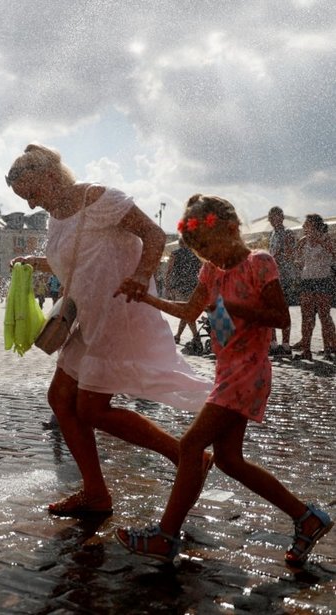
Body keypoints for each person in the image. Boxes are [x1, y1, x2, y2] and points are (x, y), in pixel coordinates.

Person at [116, 193, 333, 565]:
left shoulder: (259, 263)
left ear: (231, 229)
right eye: (198, 249)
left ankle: (165, 536)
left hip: (248, 372)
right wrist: (147, 299)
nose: (206, 255)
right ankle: (307, 518)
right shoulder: (211, 272)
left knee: (189, 447)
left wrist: (233, 307)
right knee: (230, 460)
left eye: (208, 245)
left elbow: (281, 317)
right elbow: (189, 310)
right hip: (226, 370)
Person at [5, 143, 210, 517]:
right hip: (88, 317)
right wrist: (37, 263)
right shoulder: (56, 215)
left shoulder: (99, 198)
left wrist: (141, 276)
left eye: (32, 193)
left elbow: (154, 235)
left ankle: (185, 455)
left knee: (91, 408)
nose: (32, 204)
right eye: (25, 198)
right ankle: (96, 493)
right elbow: (81, 262)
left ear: (50, 177)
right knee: (61, 400)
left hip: (119, 315)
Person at [292, 214, 336, 360]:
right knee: (307, 317)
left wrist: (321, 242)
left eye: (306, 224)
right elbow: (298, 260)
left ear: (314, 225)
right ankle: (306, 350)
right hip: (307, 280)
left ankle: (329, 350)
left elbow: (334, 254)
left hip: (323, 279)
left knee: (324, 316)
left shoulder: (327, 239)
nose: (304, 226)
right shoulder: (303, 241)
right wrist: (298, 262)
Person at [267, 206, 297, 356]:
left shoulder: (288, 233)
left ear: (282, 217)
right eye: (271, 218)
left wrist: (275, 257)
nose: (272, 220)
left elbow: (291, 253)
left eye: (275, 217)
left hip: (285, 276)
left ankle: (285, 344)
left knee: (283, 309)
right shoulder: (271, 234)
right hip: (272, 276)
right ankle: (273, 343)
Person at [164, 238, 202, 348]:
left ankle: (195, 336)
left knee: (186, 311)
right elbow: (200, 269)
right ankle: (178, 335)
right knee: (186, 310)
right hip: (193, 286)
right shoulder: (196, 254)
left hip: (179, 285)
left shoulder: (175, 254)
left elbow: (169, 270)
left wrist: (167, 285)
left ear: (180, 244)